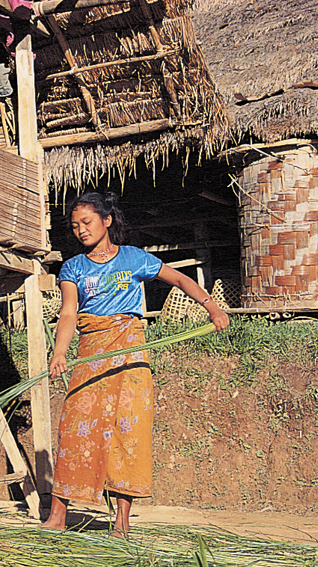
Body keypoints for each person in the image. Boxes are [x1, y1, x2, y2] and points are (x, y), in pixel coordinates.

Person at [43, 191, 229, 535]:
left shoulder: (133, 258)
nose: (81, 230)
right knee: (73, 428)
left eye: (87, 222)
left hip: (130, 354)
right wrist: (59, 352)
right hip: (91, 353)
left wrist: (212, 306)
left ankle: (122, 522)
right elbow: (69, 312)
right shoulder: (73, 267)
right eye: (75, 226)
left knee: (129, 431)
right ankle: (57, 516)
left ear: (107, 220)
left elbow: (179, 279)